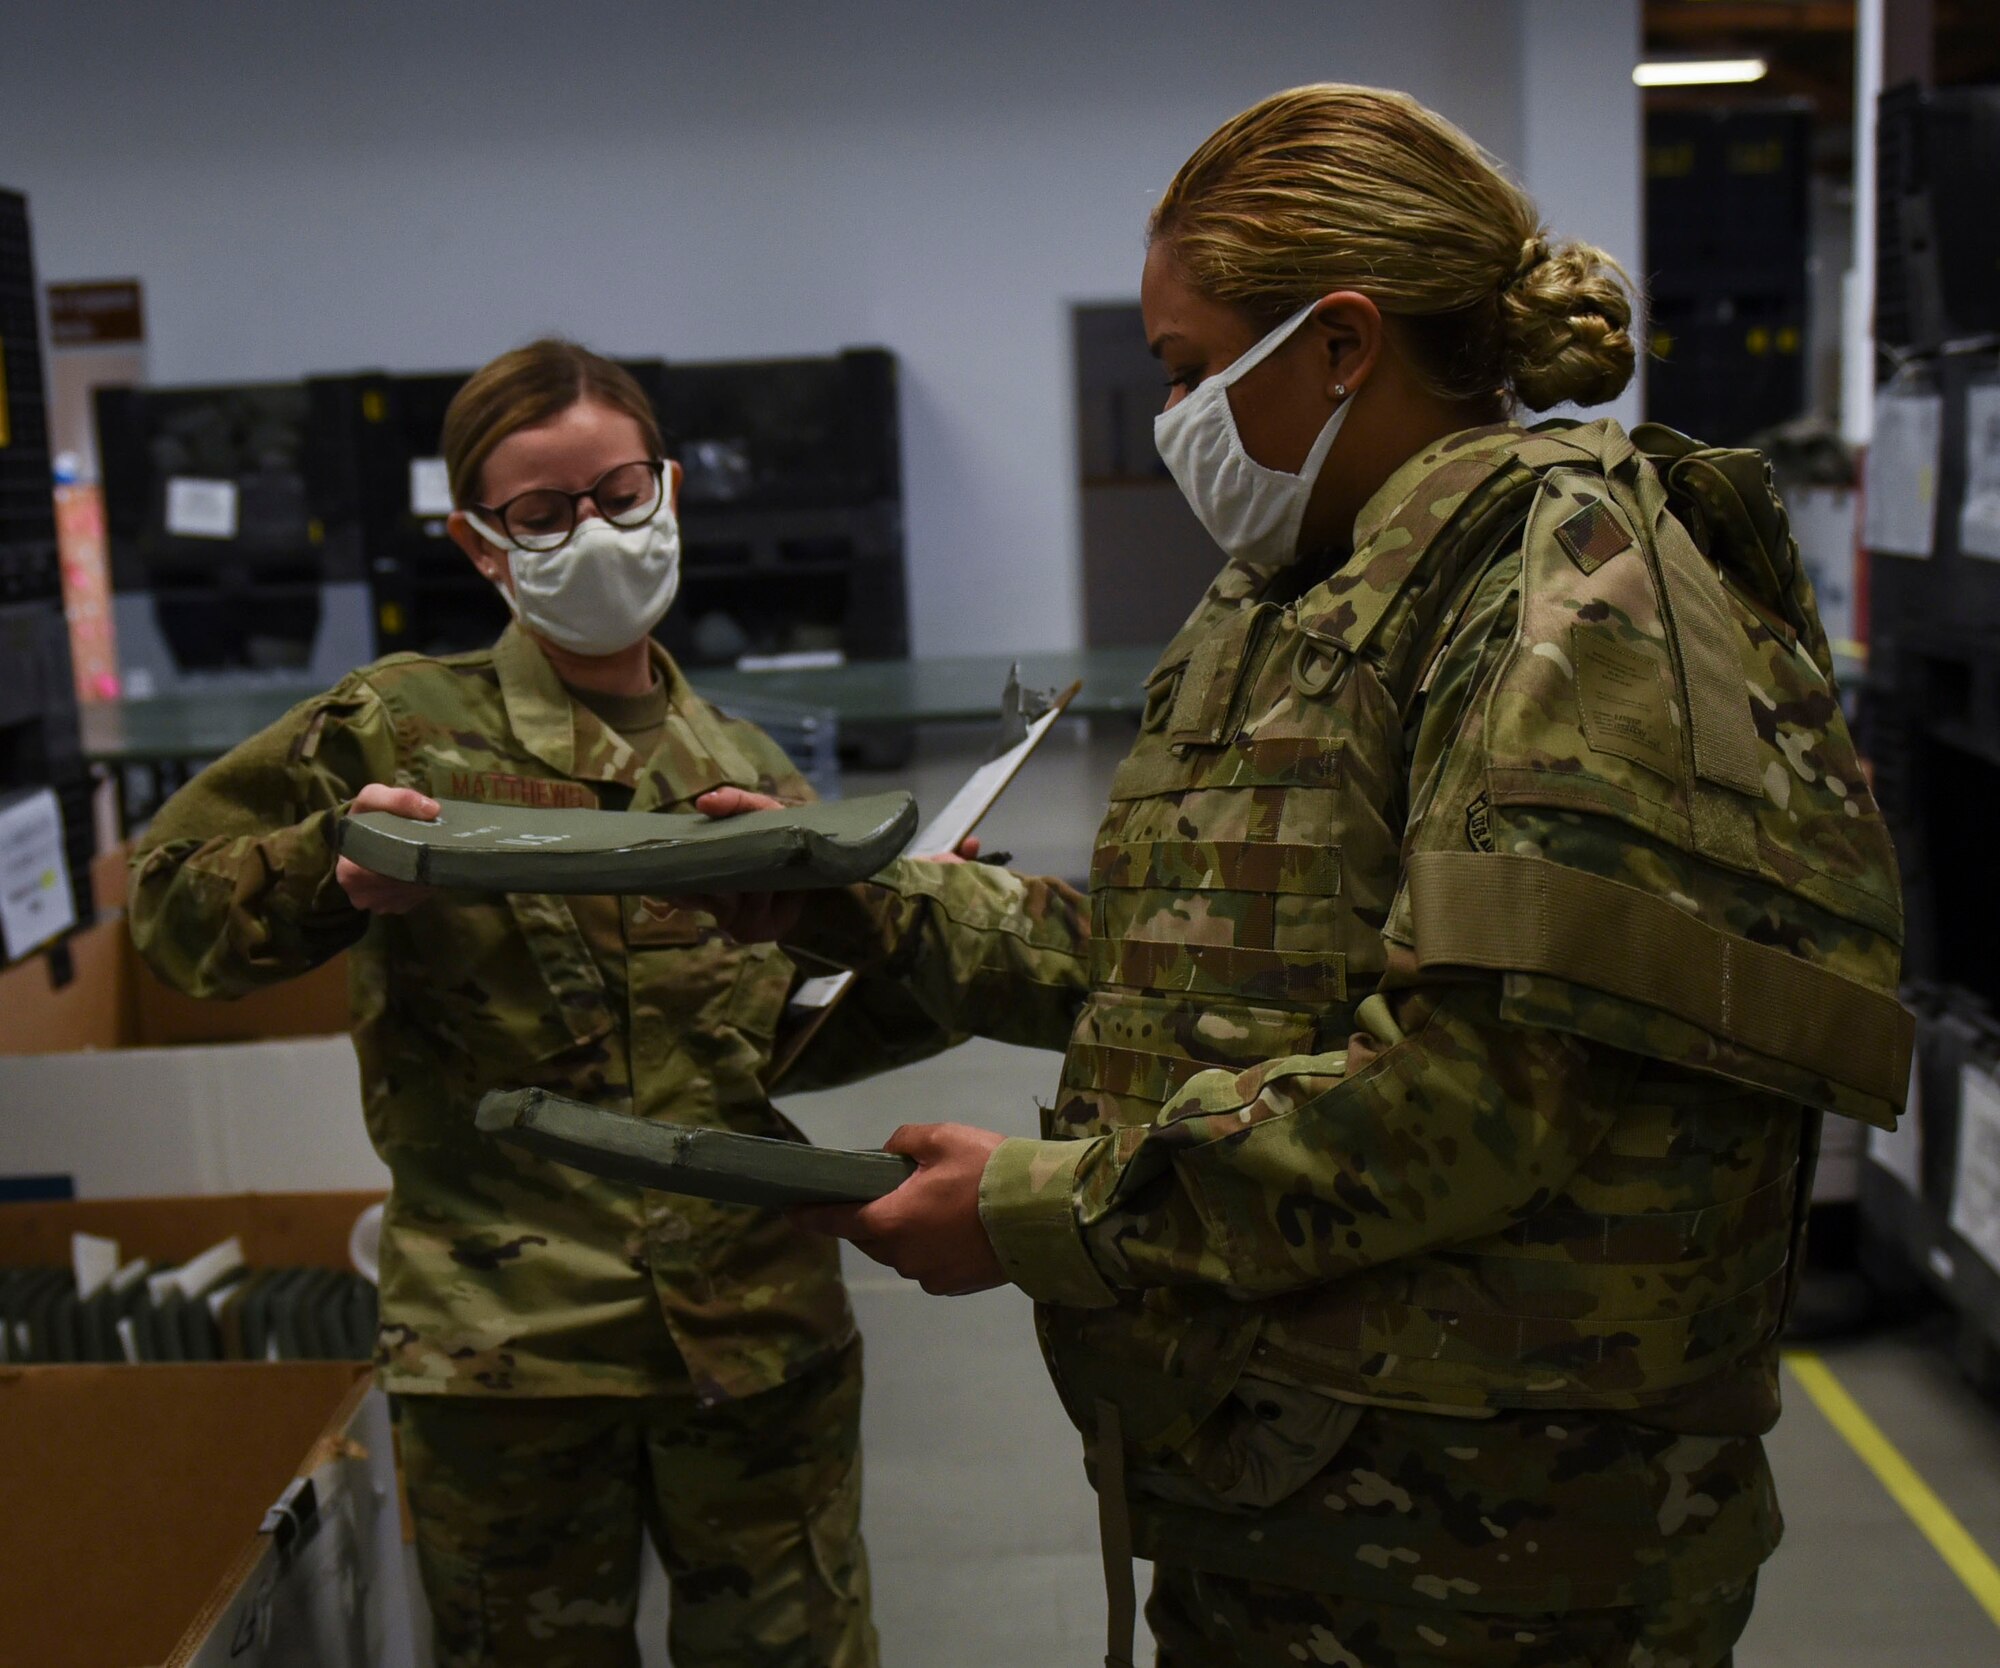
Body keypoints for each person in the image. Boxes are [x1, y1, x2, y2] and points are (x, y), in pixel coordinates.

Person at [725, 87, 1912, 1667]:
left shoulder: (1570, 599)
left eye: (1190, 368)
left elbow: (1485, 1091)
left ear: (1342, 343)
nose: (1173, 419)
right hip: (1295, 1492)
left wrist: (1043, 1210)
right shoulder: (1303, 590)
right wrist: (854, 903)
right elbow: (1198, 964)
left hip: (1491, 1549)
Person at [129, 339, 897, 1668]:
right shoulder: (398, 730)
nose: (593, 534)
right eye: (544, 514)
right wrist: (333, 869)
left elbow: (784, 1039)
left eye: (618, 493)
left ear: (668, 488)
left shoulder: (746, 764)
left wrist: (898, 919)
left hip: (756, 1338)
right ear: (481, 543)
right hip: (515, 1361)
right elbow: (170, 916)